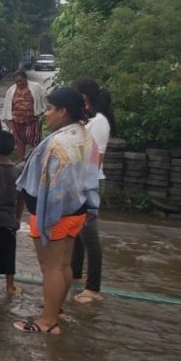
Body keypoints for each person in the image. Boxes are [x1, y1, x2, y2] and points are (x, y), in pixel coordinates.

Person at [14, 87, 100, 335]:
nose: (46, 114)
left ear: (63, 111)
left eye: (50, 108)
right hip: (77, 211)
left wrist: (46, 221)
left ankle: (47, 322)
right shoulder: (85, 135)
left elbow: (53, 187)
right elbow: (92, 175)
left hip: (55, 215)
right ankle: (56, 310)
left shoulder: (57, 143)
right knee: (63, 265)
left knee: (50, 268)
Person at [70, 78, 115, 304]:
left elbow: (96, 159)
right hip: (82, 182)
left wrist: (83, 186)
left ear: (85, 96)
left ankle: (93, 288)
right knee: (78, 233)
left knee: (90, 237)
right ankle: (75, 274)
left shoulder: (98, 122)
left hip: (89, 184)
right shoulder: (92, 120)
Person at [0, 129, 24, 300]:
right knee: (9, 256)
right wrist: (18, 217)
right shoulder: (17, 172)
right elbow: (21, 198)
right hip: (9, 220)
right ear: (13, 149)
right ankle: (10, 286)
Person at [3, 70, 47, 161]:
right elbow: (7, 105)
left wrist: (44, 113)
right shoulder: (11, 90)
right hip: (16, 121)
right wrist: (9, 119)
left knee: (34, 142)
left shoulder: (36, 87)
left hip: (33, 120)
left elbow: (45, 99)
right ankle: (20, 163)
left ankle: (33, 162)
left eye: (21, 81)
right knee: (19, 143)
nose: (19, 83)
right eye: (17, 82)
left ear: (26, 79)